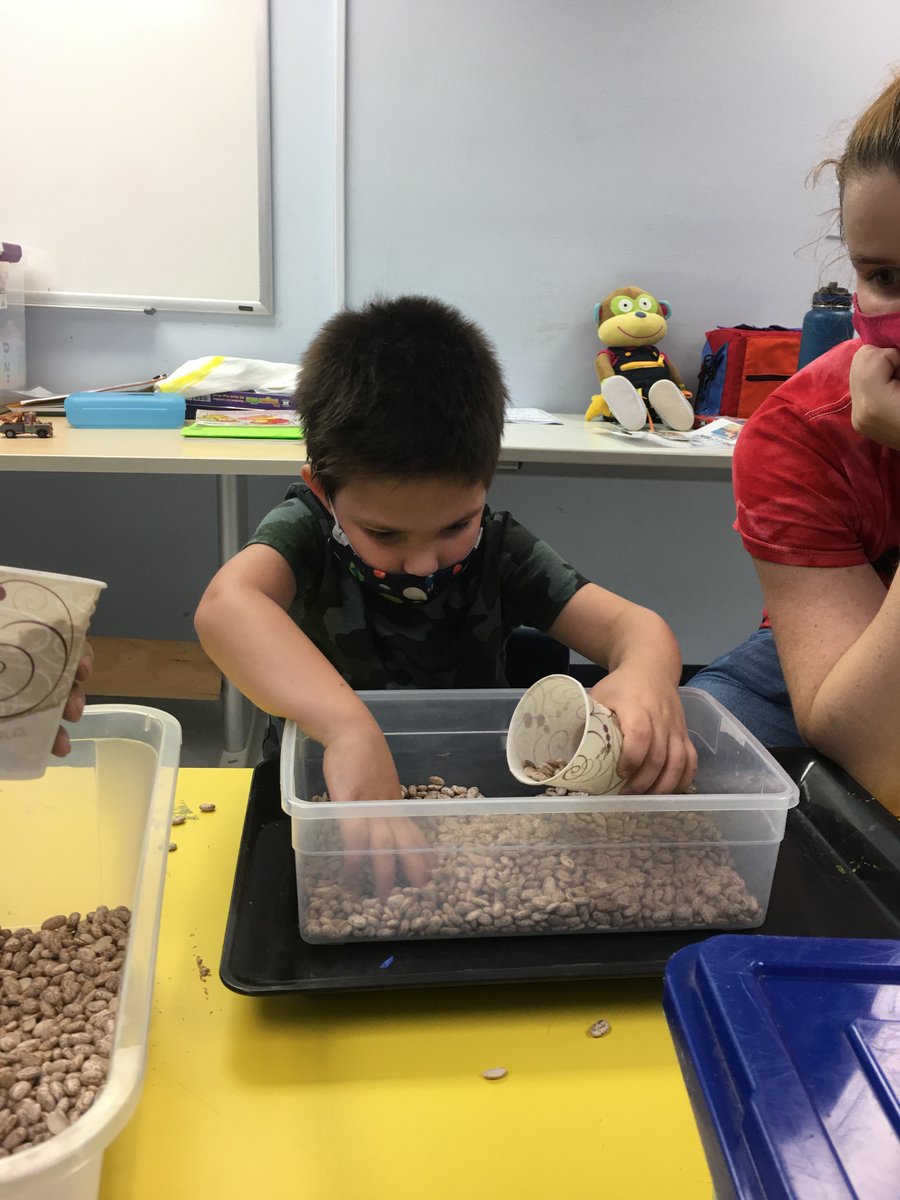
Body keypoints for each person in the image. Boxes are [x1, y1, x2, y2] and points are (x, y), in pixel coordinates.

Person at [195, 296, 696, 889]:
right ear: (324, 493)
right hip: (316, 798)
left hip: (477, 803)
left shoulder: (499, 547)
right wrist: (348, 729)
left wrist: (645, 677)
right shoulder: (305, 531)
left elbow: (635, 629)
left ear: (486, 483)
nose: (422, 560)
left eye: (456, 525)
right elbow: (227, 608)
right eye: (383, 532)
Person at [691, 73, 900, 815]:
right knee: (699, 746)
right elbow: (876, 747)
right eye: (885, 277)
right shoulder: (800, 433)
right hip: (854, 666)